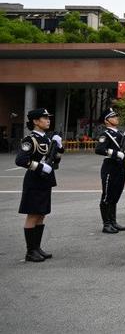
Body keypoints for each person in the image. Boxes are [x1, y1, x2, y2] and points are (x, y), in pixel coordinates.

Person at [16, 108, 64, 262]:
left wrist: (59, 147)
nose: (48, 120)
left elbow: (55, 161)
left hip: (45, 180)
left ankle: (37, 247)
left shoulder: (48, 139)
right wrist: (41, 166)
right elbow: (21, 160)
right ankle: (30, 251)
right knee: (33, 214)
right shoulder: (30, 140)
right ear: (35, 121)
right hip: (35, 181)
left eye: (48, 117)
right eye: (44, 118)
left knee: (41, 213)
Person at [94, 107, 125, 234]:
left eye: (116, 116)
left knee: (115, 195)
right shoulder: (105, 134)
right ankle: (106, 224)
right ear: (107, 121)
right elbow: (99, 149)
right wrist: (115, 153)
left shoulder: (119, 134)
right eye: (113, 117)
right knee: (107, 195)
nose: (116, 118)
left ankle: (113, 221)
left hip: (120, 167)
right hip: (110, 167)